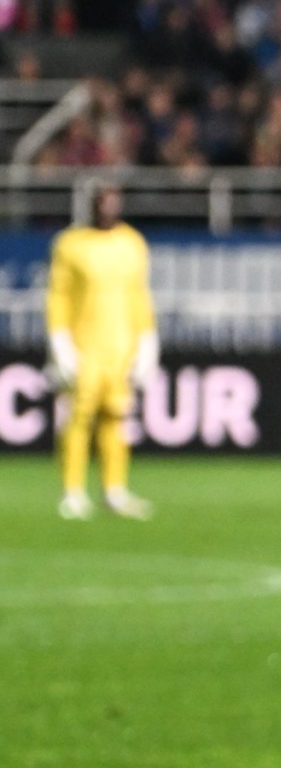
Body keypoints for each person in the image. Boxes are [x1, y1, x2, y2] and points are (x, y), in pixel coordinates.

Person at [46, 181, 156, 520]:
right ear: (92, 205)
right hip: (85, 344)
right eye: (102, 202)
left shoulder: (131, 242)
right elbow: (59, 294)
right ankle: (73, 491)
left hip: (120, 345)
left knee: (116, 418)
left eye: (113, 202)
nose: (108, 208)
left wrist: (147, 339)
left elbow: (139, 294)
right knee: (78, 418)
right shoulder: (71, 244)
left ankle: (114, 489)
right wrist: (60, 340)